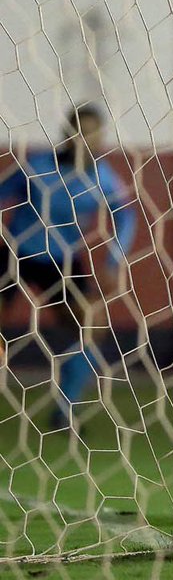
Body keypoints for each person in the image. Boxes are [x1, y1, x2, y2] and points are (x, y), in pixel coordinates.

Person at [0, 104, 136, 428]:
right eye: (79, 131)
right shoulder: (37, 166)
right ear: (66, 134)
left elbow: (126, 217)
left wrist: (114, 261)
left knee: (91, 325)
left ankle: (66, 409)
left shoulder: (105, 180)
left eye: (93, 133)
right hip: (15, 253)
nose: (85, 139)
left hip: (61, 261)